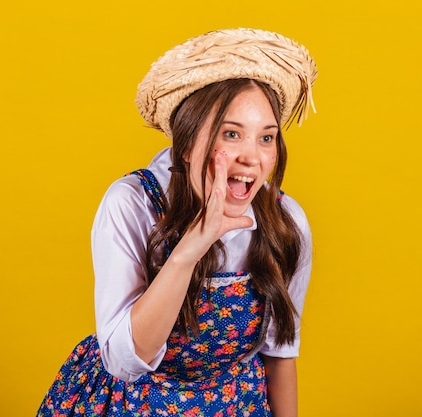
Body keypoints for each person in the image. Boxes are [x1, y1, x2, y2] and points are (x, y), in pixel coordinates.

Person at [37, 28, 317, 417]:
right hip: (130, 405)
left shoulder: (286, 222)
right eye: (231, 134)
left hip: (235, 406)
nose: (252, 158)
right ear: (186, 145)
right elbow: (124, 361)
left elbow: (280, 354)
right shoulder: (132, 203)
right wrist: (191, 248)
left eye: (266, 138)